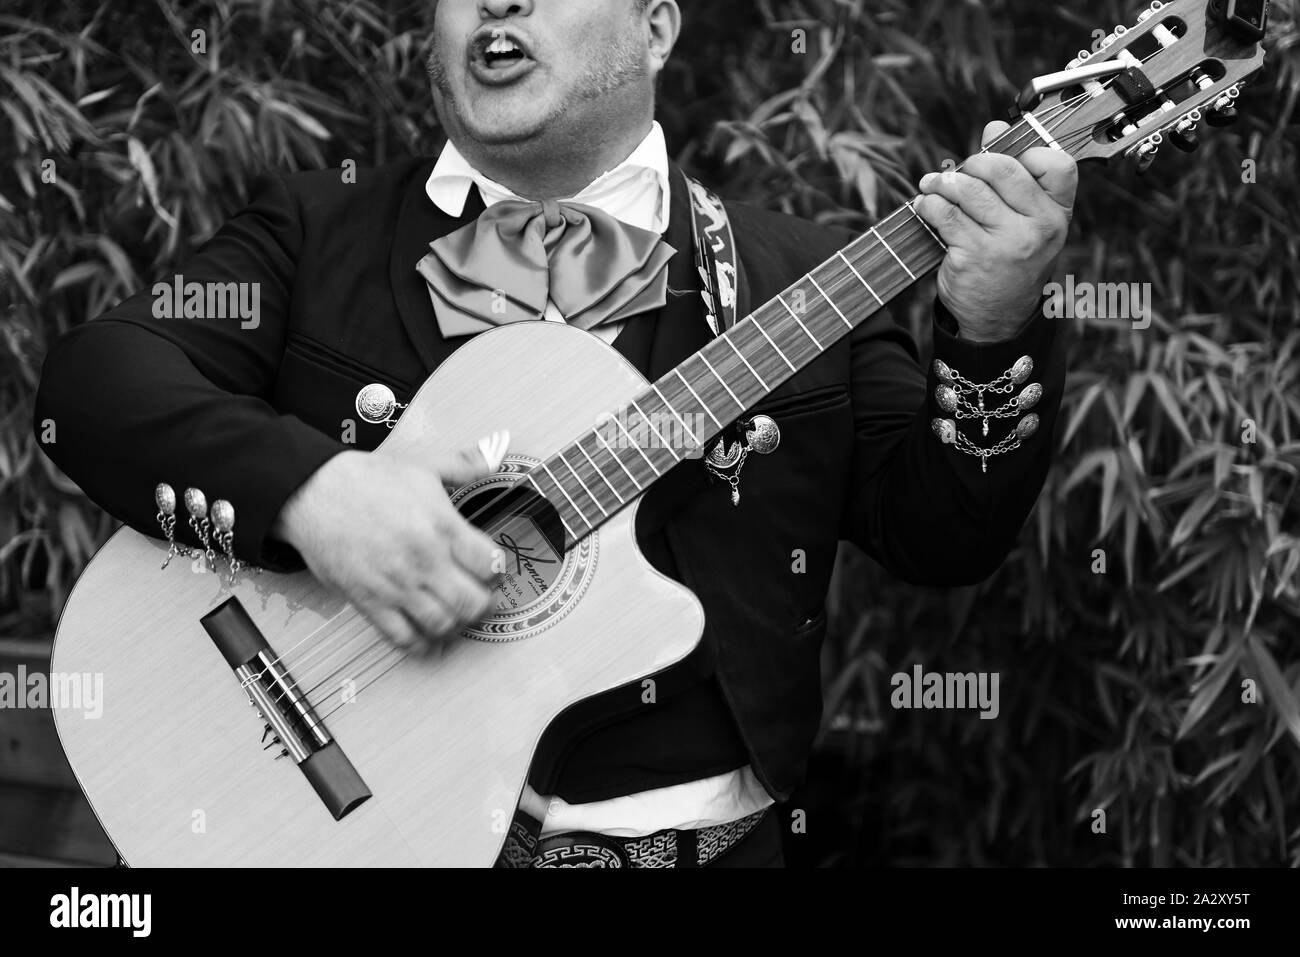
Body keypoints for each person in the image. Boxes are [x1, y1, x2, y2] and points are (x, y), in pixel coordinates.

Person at [34, 0, 1076, 867]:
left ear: (657, 29)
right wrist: (316, 495)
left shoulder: (804, 277)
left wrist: (990, 328)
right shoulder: (315, 230)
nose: (497, 3)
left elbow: (947, 535)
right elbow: (92, 387)